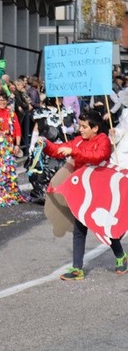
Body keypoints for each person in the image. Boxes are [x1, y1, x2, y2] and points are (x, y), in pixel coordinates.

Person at [42, 109, 128, 280]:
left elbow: (96, 157)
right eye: (80, 126)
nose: (80, 129)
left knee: (105, 226)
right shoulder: (79, 141)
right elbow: (60, 149)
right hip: (83, 193)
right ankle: (77, 269)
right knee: (79, 229)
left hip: (100, 191)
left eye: (84, 126)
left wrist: (73, 152)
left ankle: (120, 255)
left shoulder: (103, 140)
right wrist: (45, 145)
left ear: (95, 128)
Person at [26, 97, 77, 203]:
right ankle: (45, 193)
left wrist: (68, 130)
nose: (60, 100)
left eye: (61, 98)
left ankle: (63, 192)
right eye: (58, 98)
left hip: (62, 146)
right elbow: (36, 130)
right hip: (45, 147)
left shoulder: (66, 111)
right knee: (44, 169)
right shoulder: (41, 113)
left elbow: (74, 127)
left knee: (63, 169)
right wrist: (32, 145)